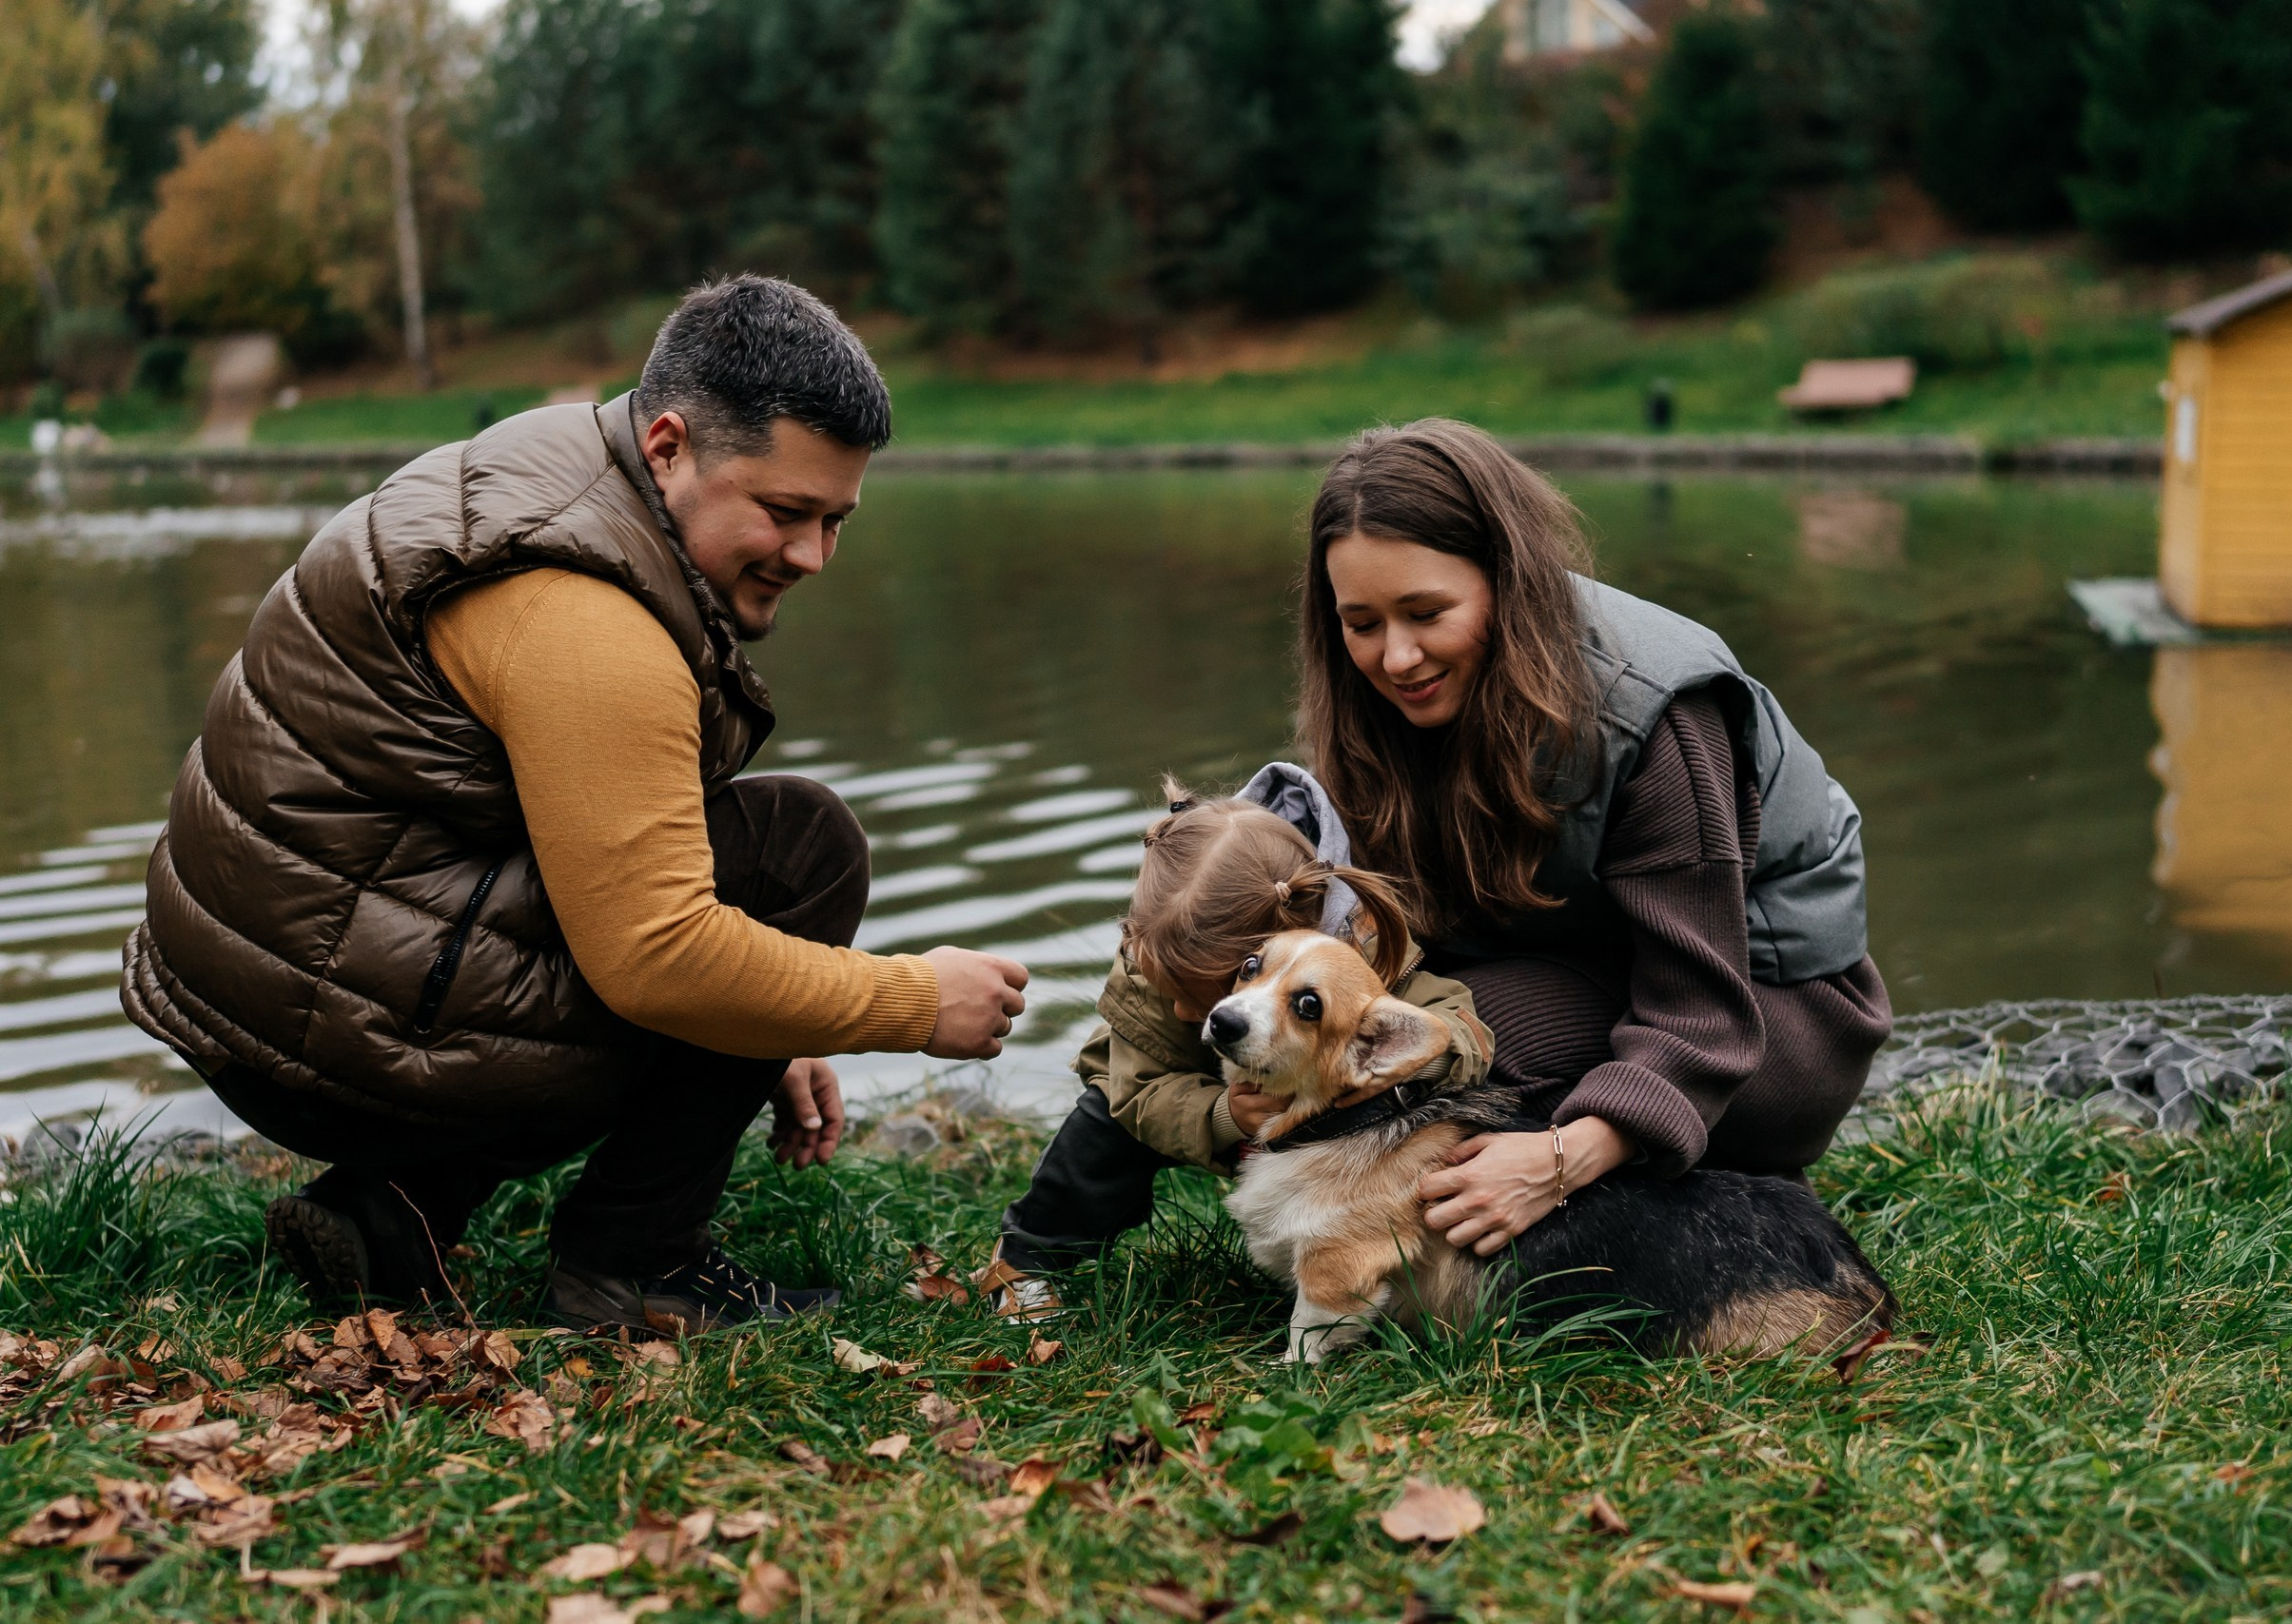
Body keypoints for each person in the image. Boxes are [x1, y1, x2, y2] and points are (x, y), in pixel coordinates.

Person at [121, 276, 1029, 1333]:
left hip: (284, 974)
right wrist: (910, 1002)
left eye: (835, 520)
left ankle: (395, 1213)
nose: (812, 556)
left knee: (758, 885)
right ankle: (633, 1268)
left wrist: (764, 1032)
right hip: (321, 1032)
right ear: (669, 447)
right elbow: (655, 956)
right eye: (784, 512)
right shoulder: (587, 622)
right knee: (801, 853)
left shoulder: (562, 465)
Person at [1297, 419, 1891, 1258]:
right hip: (1599, 963)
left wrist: (1557, 1160)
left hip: (1767, 1015)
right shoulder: (1383, 702)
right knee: (1369, 1040)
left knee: (1467, 1043)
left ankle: (1718, 1173)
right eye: (1361, 623)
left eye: (1427, 612)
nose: (1396, 657)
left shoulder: (1653, 710)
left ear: (1510, 580)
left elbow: (1701, 1012)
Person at [972, 770, 1493, 1320]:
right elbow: (1136, 1090)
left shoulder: (1353, 947)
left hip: (1320, 1110)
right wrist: (1222, 1115)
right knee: (1102, 1123)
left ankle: (1355, 1255)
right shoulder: (1161, 943)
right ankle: (1027, 1256)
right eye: (1170, 990)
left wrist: (1407, 1059)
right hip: (1188, 1093)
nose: (1185, 1012)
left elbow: (1453, 1018)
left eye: (1206, 991)